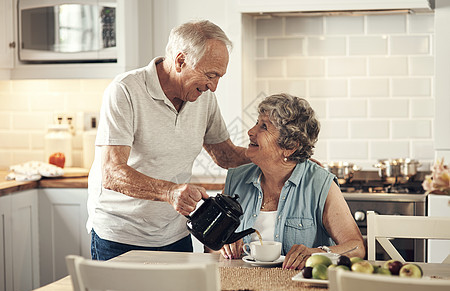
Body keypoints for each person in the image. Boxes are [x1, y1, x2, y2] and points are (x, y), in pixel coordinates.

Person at [87, 20, 249, 261]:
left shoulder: (202, 98)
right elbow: (112, 172)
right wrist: (170, 192)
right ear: (181, 61)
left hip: (175, 235)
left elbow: (226, 155)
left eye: (219, 77)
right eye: (211, 75)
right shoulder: (125, 90)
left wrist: (285, 159)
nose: (214, 87)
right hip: (120, 236)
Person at [217, 93, 365, 269]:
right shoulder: (236, 179)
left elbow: (356, 247)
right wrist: (222, 245)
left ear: (290, 146)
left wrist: (318, 252)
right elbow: (211, 245)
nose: (251, 131)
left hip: (299, 287)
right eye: (257, 123)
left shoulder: (319, 183)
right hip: (238, 285)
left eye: (263, 127)